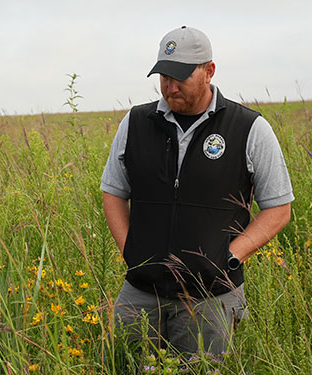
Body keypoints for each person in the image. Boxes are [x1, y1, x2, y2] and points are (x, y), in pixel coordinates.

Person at [100, 26, 294, 355]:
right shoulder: (135, 122)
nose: (170, 87)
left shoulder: (248, 128)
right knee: (125, 365)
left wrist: (230, 258)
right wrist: (129, 251)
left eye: (180, 77)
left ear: (209, 71)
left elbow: (278, 208)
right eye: (163, 76)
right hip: (140, 294)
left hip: (211, 299)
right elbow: (113, 192)